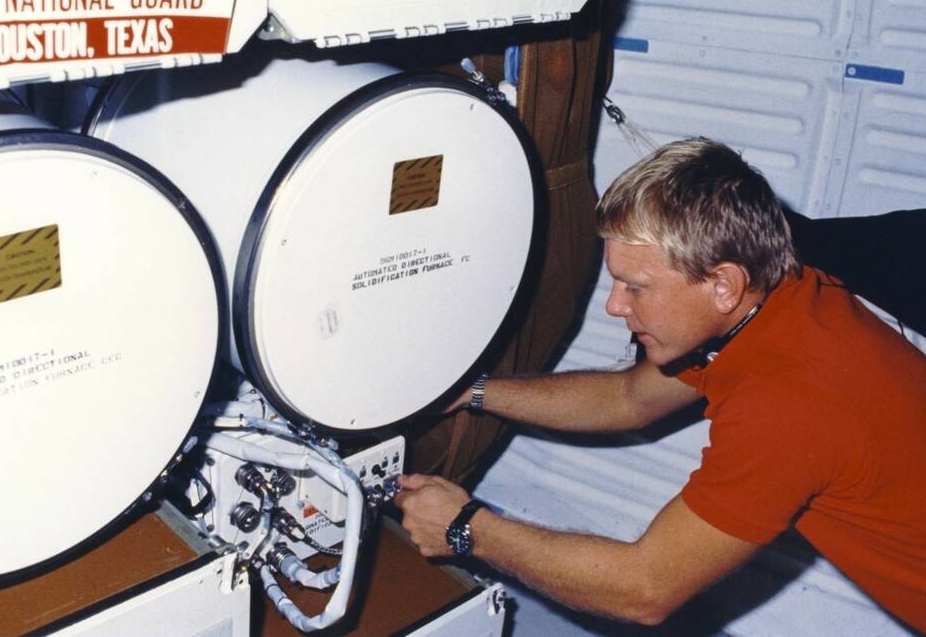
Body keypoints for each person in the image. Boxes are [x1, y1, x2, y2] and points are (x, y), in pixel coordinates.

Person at [394, 138, 926, 631]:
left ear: (722, 284)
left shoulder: (788, 405)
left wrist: (467, 527)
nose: (615, 305)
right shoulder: (782, 294)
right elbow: (630, 398)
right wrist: (470, 391)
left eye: (636, 287)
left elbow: (644, 590)